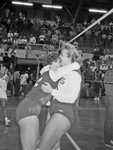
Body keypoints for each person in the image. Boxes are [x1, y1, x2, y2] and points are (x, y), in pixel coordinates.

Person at [15, 52, 80, 150]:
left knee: (38, 144)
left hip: (28, 107)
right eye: (58, 60)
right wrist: (74, 61)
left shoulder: (49, 73)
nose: (60, 62)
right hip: (29, 109)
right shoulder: (54, 73)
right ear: (53, 63)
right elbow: (75, 65)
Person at [37, 43, 82, 150]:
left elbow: (71, 98)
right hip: (53, 110)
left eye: (62, 55)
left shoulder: (74, 74)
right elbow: (43, 71)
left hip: (63, 112)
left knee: (41, 148)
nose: (60, 57)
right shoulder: (62, 72)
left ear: (69, 57)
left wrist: (52, 91)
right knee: (54, 148)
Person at [104, 60, 113, 148]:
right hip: (111, 98)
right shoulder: (109, 73)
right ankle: (108, 140)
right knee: (110, 118)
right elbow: (108, 87)